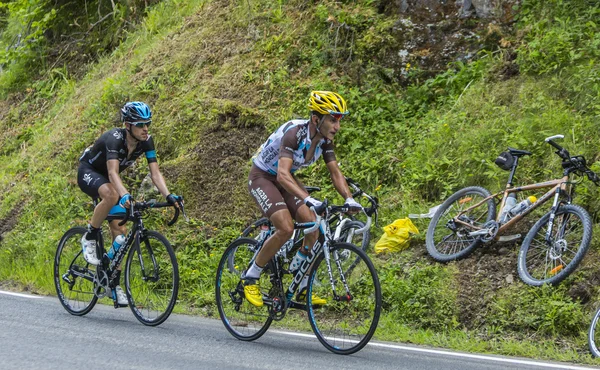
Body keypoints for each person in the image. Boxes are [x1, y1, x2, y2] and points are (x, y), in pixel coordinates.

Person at [245, 91, 362, 307]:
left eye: (339, 120)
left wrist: (349, 199)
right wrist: (309, 199)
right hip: (263, 177)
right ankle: (251, 276)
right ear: (317, 119)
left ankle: (302, 286)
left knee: (313, 226)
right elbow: (281, 174)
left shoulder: (324, 141)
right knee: (286, 228)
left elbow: (335, 172)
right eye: (333, 120)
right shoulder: (295, 134)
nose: (337, 126)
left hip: (285, 179)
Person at [77, 101, 181, 305]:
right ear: (128, 125)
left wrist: (169, 196)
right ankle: (89, 235)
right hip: (89, 171)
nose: (145, 129)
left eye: (147, 124)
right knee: (112, 194)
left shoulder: (146, 141)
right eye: (140, 124)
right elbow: (112, 173)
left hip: (109, 179)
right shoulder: (114, 140)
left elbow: (155, 173)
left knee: (120, 235)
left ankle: (112, 284)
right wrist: (125, 195)